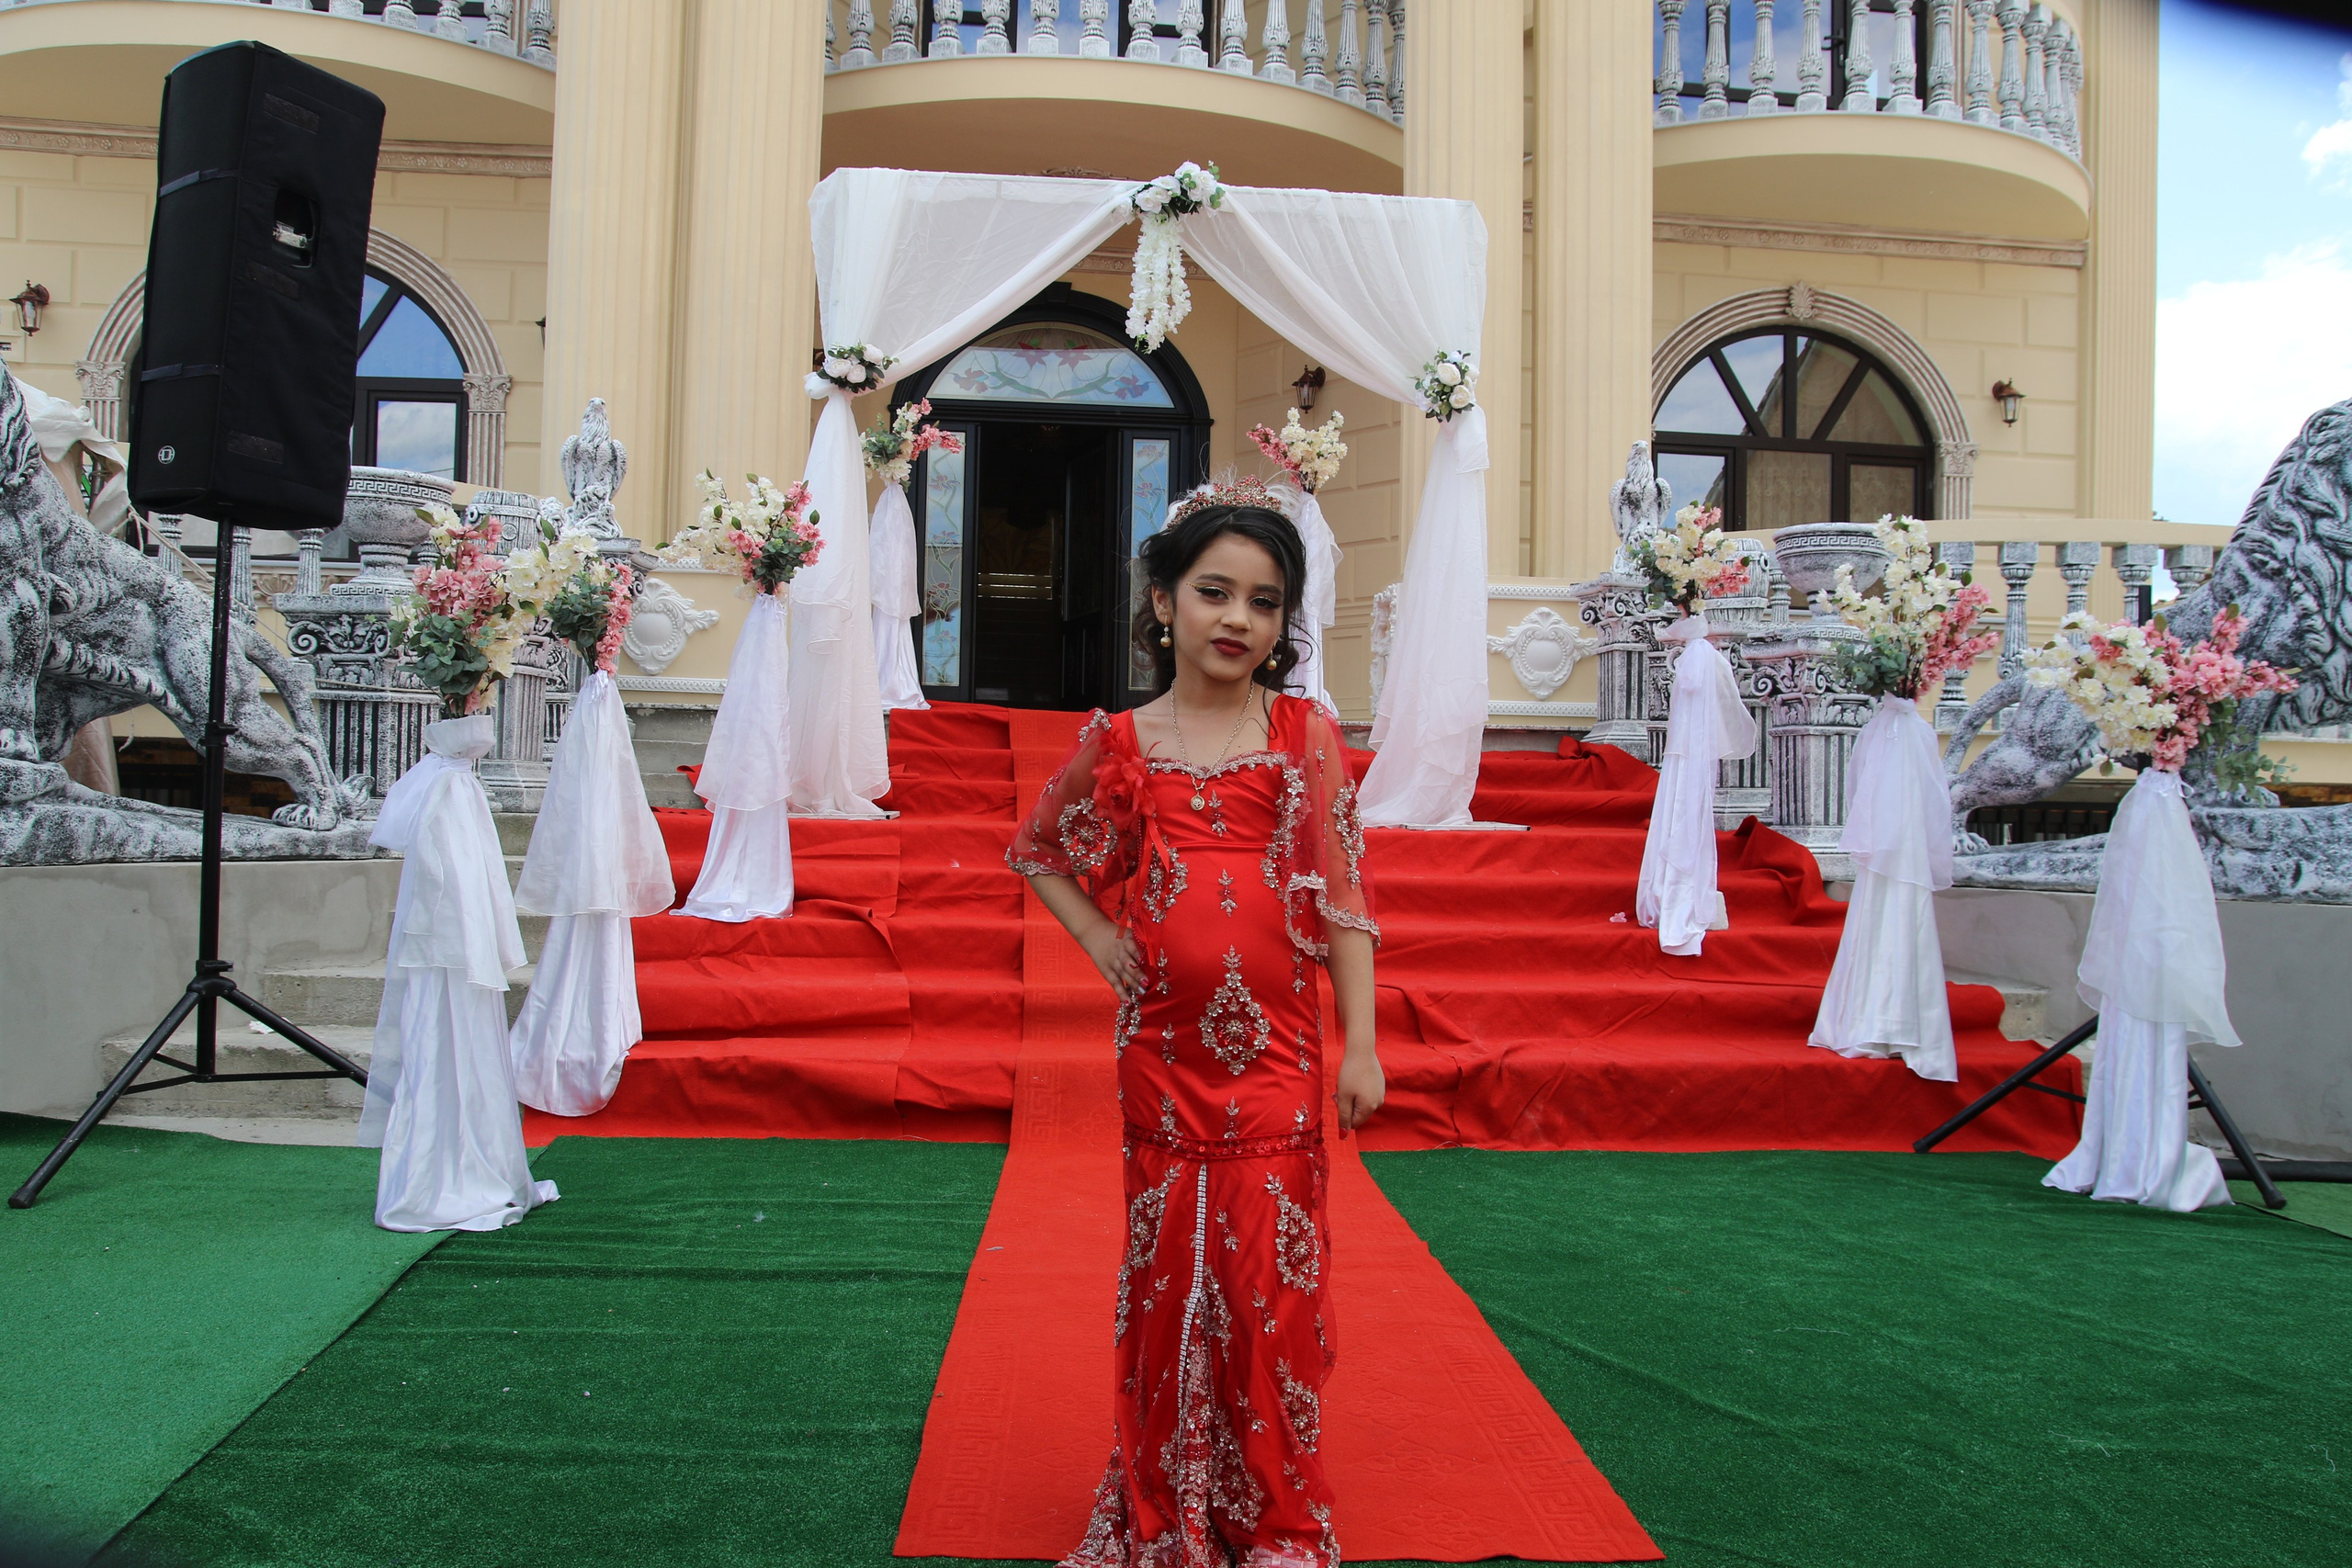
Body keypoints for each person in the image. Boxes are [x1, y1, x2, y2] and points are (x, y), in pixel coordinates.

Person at [1008, 483, 1383, 1568]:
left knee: (1270, 1287)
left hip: (1278, 1056)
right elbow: (1039, 850)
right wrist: (1099, 941)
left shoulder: (1305, 736)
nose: (1238, 620)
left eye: (1264, 603)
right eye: (1214, 592)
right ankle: (1165, 1503)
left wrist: (1360, 1044)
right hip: (1162, 1062)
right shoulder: (1120, 740)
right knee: (1171, 1285)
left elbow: (1343, 898)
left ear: (1282, 626)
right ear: (1163, 601)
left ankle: (1270, 1516)